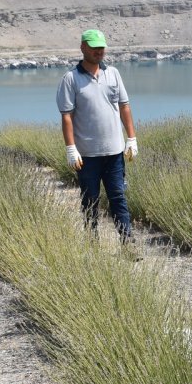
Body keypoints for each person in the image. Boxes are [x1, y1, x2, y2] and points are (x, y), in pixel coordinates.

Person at [57, 29, 139, 239]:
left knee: (118, 198)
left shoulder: (113, 73)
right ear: (83, 47)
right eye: (94, 47)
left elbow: (124, 106)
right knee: (90, 200)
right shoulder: (71, 79)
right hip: (87, 156)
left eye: (101, 47)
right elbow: (67, 116)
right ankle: (92, 244)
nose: (98, 51)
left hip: (114, 153)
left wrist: (131, 138)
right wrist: (71, 149)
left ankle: (127, 242)